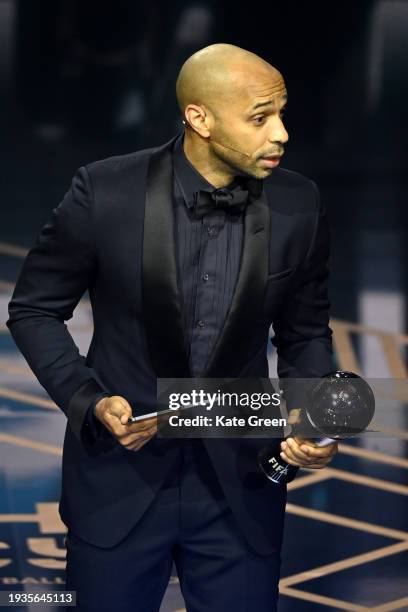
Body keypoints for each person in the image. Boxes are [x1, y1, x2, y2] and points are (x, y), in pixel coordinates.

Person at [7, 43, 338, 611]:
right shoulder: (104, 191)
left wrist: (314, 420)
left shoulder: (298, 202)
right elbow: (34, 309)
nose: (280, 133)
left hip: (243, 484)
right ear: (199, 118)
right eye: (260, 118)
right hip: (120, 479)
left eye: (281, 114)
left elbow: (305, 331)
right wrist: (88, 400)